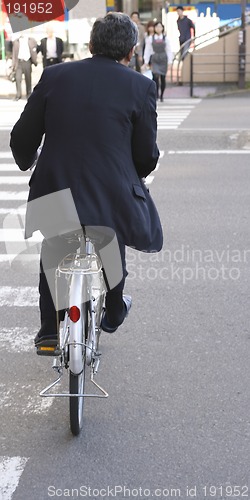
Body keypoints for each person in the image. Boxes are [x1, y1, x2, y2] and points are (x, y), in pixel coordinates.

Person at [10, 12, 163, 349]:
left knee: (54, 245)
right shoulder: (140, 86)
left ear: (91, 44)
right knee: (112, 234)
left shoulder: (54, 76)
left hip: (54, 184)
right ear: (131, 51)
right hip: (111, 189)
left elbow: (22, 137)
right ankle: (113, 309)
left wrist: (28, 162)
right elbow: (146, 153)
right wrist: (134, 174)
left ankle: (49, 330)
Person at [143, 21, 172, 102]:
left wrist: (170, 61)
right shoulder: (150, 38)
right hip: (155, 58)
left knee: (163, 77)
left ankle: (162, 95)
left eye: (160, 27)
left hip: (163, 58)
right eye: (157, 27)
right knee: (155, 77)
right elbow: (148, 50)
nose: (158, 28)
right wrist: (146, 61)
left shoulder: (166, 38)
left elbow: (169, 50)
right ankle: (156, 95)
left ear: (162, 28)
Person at [11, 34, 37, 101]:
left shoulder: (31, 40)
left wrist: (35, 60)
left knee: (28, 78)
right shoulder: (16, 41)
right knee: (17, 78)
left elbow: (35, 50)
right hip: (19, 62)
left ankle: (29, 94)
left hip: (27, 61)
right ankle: (18, 95)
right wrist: (13, 65)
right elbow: (14, 54)